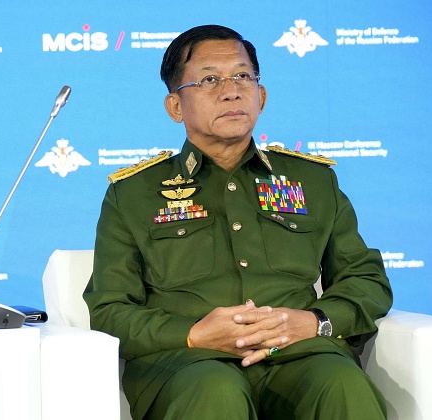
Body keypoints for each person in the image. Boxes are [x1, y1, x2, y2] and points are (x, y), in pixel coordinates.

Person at [84, 24, 393, 419]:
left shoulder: (312, 181)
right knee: (216, 391)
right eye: (209, 79)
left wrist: (315, 322)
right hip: (188, 365)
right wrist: (193, 334)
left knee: (342, 383)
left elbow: (365, 280)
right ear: (175, 107)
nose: (231, 90)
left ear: (261, 96)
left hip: (300, 354)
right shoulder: (134, 194)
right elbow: (109, 308)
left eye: (243, 76)